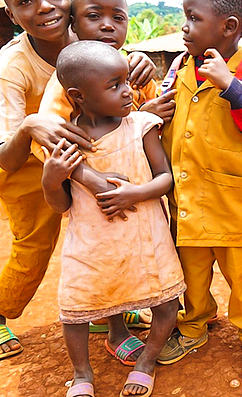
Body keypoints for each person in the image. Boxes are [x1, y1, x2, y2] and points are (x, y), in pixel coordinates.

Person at [0, 0, 156, 362]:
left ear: (71, 2)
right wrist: (28, 128)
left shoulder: (93, 38)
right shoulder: (14, 63)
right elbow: (7, 154)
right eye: (25, 2)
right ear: (10, 14)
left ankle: (109, 316)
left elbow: (122, 97)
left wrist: (141, 66)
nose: (44, 8)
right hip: (15, 158)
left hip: (82, 156)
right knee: (36, 242)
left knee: (103, 232)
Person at [154, 0, 242, 384]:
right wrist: (155, 113)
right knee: (191, 274)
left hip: (232, 205)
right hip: (189, 200)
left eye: (192, 18)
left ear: (229, 26)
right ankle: (194, 324)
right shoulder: (179, 67)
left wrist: (230, 86)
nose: (184, 26)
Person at [34, 0, 172, 341]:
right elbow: (50, 138)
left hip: (138, 190)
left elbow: (149, 116)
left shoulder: (133, 67)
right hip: (93, 201)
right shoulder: (66, 81)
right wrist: (93, 180)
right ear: (73, 23)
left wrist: (150, 106)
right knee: (104, 261)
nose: (108, 25)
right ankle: (113, 324)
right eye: (95, 16)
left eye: (119, 16)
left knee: (136, 256)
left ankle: (125, 317)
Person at [43, 40, 183, 397]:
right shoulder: (64, 139)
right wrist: (51, 178)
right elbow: (60, 206)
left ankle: (146, 362)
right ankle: (82, 374)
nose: (127, 93)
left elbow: (165, 178)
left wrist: (133, 193)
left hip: (144, 239)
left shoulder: (140, 126)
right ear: (78, 96)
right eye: (114, 86)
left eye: (126, 82)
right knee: (75, 311)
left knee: (166, 305)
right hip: (91, 245)